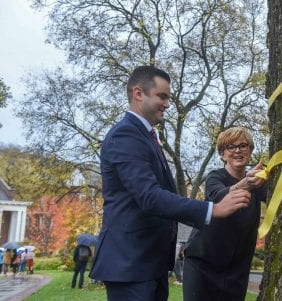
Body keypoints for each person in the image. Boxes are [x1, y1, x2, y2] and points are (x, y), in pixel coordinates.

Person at [89, 65, 251, 301]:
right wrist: (212, 209)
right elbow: (150, 196)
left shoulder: (145, 136)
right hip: (130, 265)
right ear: (138, 93)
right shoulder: (125, 135)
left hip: (148, 264)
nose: (167, 104)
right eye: (162, 96)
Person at [183, 127, 266, 301]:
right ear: (222, 154)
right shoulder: (215, 177)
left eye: (243, 146)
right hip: (202, 264)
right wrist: (243, 184)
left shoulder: (258, 181)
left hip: (236, 270)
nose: (238, 150)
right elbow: (216, 197)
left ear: (250, 151)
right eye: (231, 147)